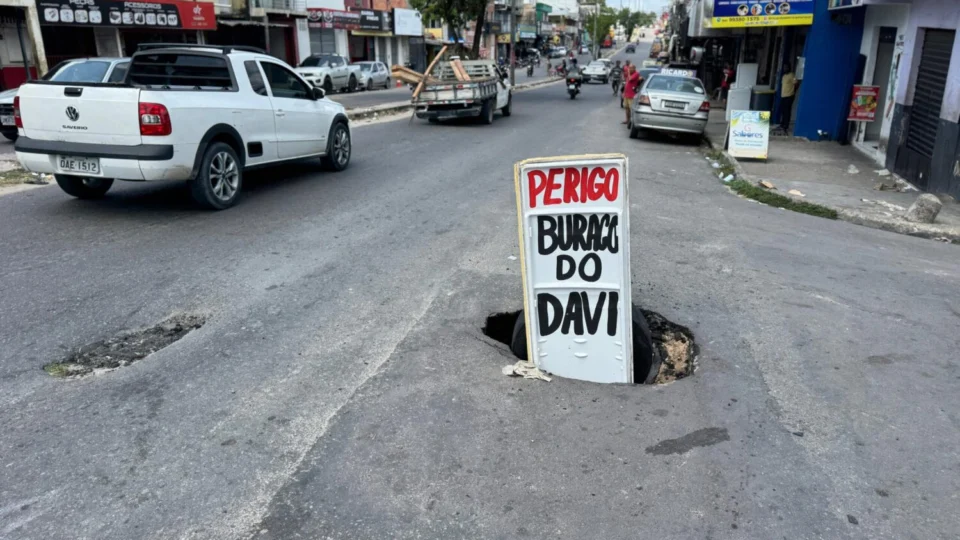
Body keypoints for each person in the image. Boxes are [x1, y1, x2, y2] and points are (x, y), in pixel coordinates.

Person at [779, 63, 799, 131]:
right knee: (783, 110)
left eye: (786, 67)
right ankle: (782, 123)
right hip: (783, 95)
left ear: (789, 68)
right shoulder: (784, 76)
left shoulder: (792, 75)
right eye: (784, 67)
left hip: (789, 96)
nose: (785, 69)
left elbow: (796, 84)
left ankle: (786, 125)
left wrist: (793, 92)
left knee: (787, 111)